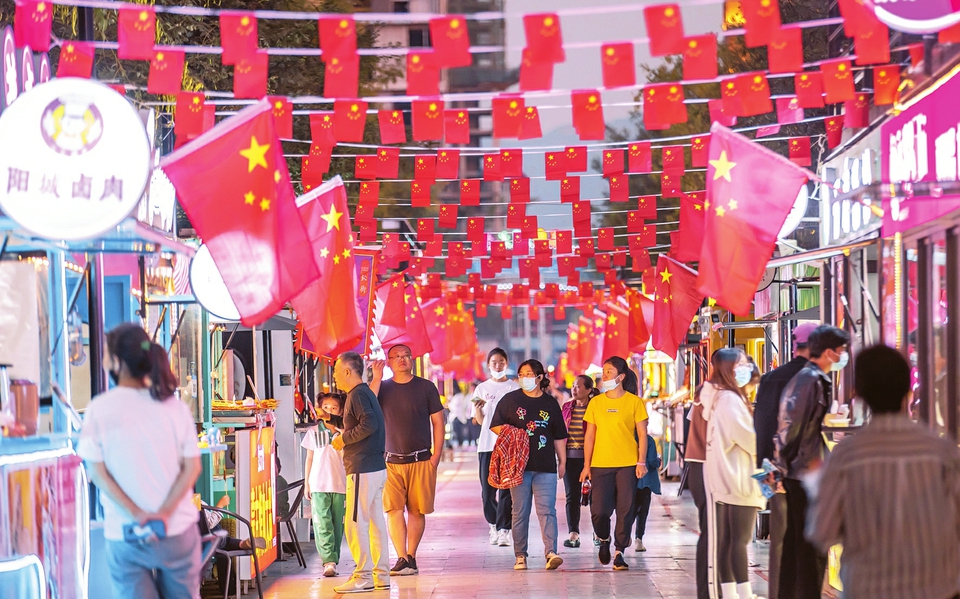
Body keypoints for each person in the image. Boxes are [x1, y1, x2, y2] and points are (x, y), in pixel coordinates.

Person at [808, 345, 960, 599]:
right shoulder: (942, 452)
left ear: (859, 394)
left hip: (869, 589)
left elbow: (821, 532)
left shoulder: (846, 457)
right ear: (909, 392)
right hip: (939, 589)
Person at [77, 323, 202, 599]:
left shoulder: (100, 408)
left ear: (119, 363)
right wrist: (164, 515)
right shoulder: (175, 407)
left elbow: (97, 473)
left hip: (125, 534)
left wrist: (138, 515)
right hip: (177, 532)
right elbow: (192, 468)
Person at [774, 325, 850, 599]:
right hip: (802, 472)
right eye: (841, 352)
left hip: (802, 470)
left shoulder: (812, 378)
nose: (842, 356)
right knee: (809, 544)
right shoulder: (810, 380)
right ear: (828, 352)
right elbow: (790, 427)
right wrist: (781, 466)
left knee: (802, 542)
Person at [753, 322, 818, 599]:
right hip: (811, 474)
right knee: (810, 541)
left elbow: (763, 427)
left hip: (778, 473)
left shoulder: (772, 378)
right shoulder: (816, 378)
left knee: (782, 541)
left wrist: (767, 474)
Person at [369, 344, 444, 577]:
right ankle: (400, 556)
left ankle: (411, 556)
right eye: (396, 357)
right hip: (389, 460)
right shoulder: (382, 388)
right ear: (388, 361)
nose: (402, 360)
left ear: (412, 359)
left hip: (421, 458)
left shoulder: (426, 387)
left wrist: (436, 456)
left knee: (416, 510)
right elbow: (367, 406)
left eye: (406, 356)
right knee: (393, 509)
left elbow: (438, 423)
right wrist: (376, 377)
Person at [491, 359, 567, 571]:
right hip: (518, 466)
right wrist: (514, 435)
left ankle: (551, 552)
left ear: (539, 377)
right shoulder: (510, 400)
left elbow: (559, 435)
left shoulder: (550, 403)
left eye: (529, 374)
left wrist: (562, 461)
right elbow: (495, 425)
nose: (524, 378)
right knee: (520, 511)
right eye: (522, 374)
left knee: (547, 511)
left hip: (545, 466)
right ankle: (520, 555)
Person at [704, 348, 767, 599]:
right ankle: (742, 593)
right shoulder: (729, 400)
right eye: (741, 363)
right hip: (738, 478)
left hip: (728, 476)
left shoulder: (724, 398)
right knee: (738, 541)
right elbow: (748, 439)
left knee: (729, 541)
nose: (746, 367)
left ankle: (731, 593)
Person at [580, 356, 649, 571]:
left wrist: (641, 462)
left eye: (609, 371)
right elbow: (589, 437)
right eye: (604, 371)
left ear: (620, 377)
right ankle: (603, 538)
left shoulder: (635, 402)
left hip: (628, 464)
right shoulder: (596, 403)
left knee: (626, 509)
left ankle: (619, 551)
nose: (605, 375)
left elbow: (642, 435)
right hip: (601, 464)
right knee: (599, 510)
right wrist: (586, 465)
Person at [329, 351, 389, 594]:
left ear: (347, 371)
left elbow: (370, 424)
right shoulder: (363, 392)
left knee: (355, 524)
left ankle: (362, 576)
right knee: (375, 524)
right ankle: (381, 575)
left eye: (335, 371)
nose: (333, 376)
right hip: (374, 467)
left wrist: (343, 439)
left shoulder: (357, 394)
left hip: (363, 467)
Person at [473, 348, 520, 547]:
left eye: (501, 362)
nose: (497, 365)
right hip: (486, 446)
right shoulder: (481, 389)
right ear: (488, 364)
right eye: (494, 362)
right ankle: (493, 524)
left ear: (506, 363)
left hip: (508, 446)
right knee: (487, 491)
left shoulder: (514, 388)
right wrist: (478, 409)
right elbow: (479, 419)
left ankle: (504, 530)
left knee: (507, 491)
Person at [302, 392, 348, 578]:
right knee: (322, 524)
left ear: (341, 411)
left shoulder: (345, 432)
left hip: (341, 485)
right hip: (319, 484)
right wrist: (307, 483)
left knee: (338, 525)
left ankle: (333, 559)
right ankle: (328, 561)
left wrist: (343, 434)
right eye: (326, 408)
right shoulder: (313, 431)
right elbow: (310, 458)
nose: (329, 411)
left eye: (334, 408)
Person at [560, 375, 599, 548]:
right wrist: (561, 460)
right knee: (571, 496)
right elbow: (561, 434)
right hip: (570, 459)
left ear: (589, 390)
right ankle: (573, 533)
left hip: (594, 459)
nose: (574, 389)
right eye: (573, 386)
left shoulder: (596, 407)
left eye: (578, 386)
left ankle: (598, 532)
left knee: (596, 497)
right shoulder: (567, 407)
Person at [684, 383, 711, 599]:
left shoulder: (705, 393)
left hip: (699, 466)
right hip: (707, 467)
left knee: (710, 532)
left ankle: (710, 589)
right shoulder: (712, 395)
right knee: (712, 532)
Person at [632, 434, 661, 553]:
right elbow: (652, 461)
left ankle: (624, 537)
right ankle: (638, 539)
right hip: (645, 481)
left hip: (630, 482)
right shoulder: (648, 440)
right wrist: (658, 460)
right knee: (642, 512)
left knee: (629, 511)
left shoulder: (628, 437)